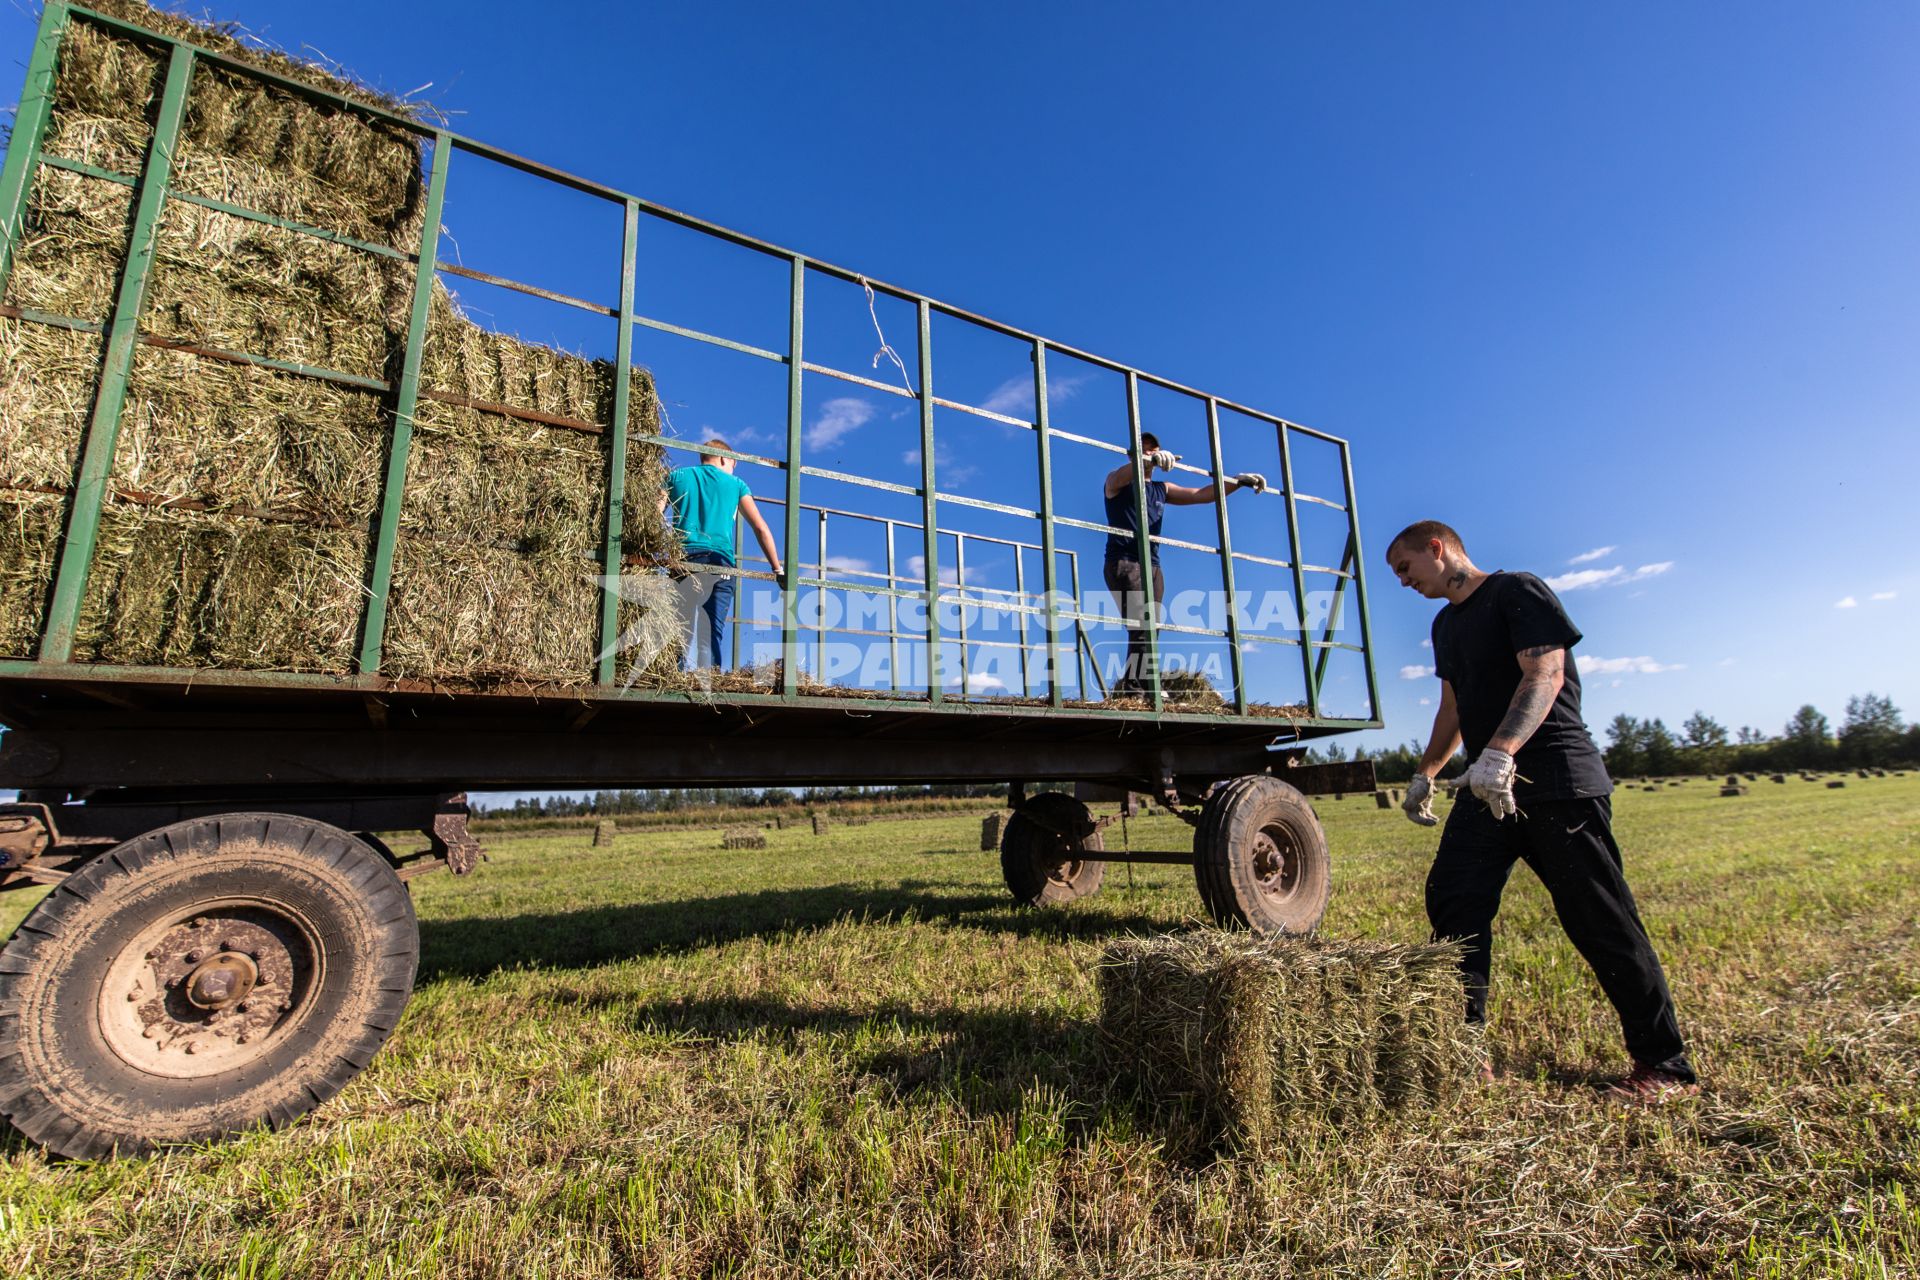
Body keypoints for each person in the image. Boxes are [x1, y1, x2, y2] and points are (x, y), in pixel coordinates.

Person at [1386, 519, 1698, 1100]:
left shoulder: (1516, 591)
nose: (1403, 581)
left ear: (1438, 548)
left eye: (1405, 567)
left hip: (1556, 780)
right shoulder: (1445, 623)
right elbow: (1451, 708)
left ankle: (1665, 1066)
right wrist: (1424, 774)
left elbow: (1544, 673)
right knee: (1454, 902)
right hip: (1486, 788)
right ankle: (1463, 1051)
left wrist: (1501, 751)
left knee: (1599, 918)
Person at [1101, 431, 1265, 695]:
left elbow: (1202, 493)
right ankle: (1139, 688)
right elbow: (1123, 474)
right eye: (1144, 450)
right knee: (1141, 624)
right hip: (1124, 562)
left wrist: (1237, 482)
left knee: (1151, 627)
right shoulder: (1115, 483)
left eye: (1154, 450)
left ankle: (1138, 685)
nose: (1150, 453)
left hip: (1152, 565)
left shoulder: (1161, 490)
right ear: (1132, 455)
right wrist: (1146, 463)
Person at [661, 439, 782, 670]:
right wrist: (778, 568)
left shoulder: (676, 477)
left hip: (683, 560)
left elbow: (652, 514)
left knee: (680, 627)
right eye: (734, 465)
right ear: (725, 459)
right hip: (720, 565)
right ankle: (709, 688)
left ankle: (671, 678)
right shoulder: (736, 485)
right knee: (710, 632)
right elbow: (760, 528)